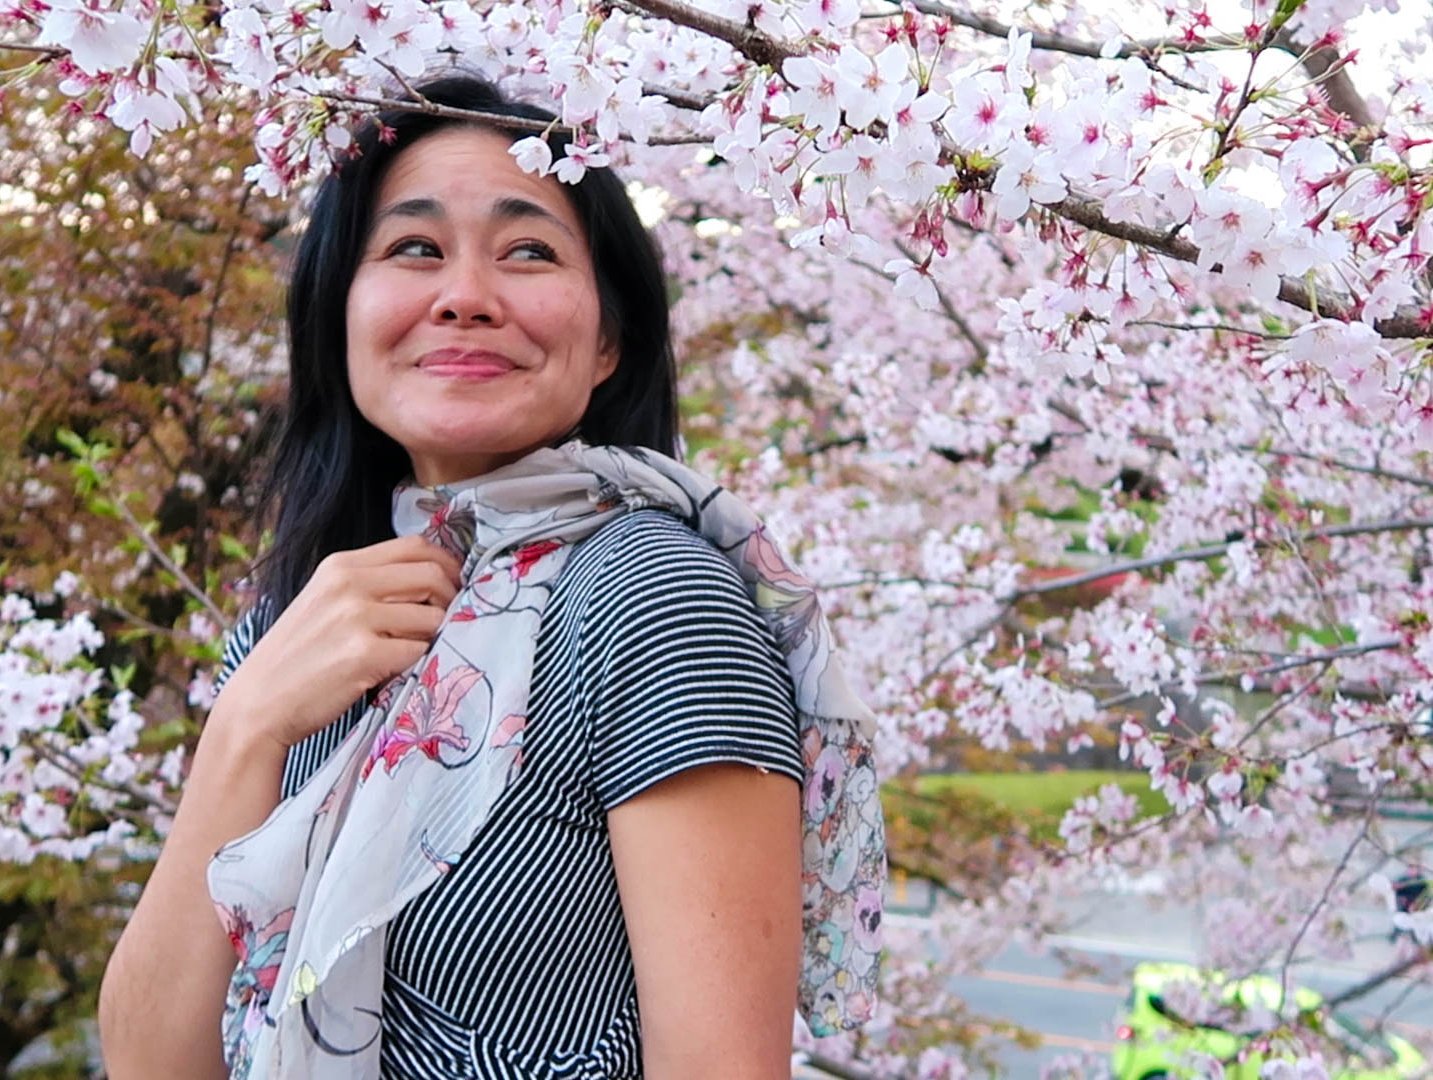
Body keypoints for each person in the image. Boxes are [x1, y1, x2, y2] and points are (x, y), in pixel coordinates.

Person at [97, 75, 885, 1080]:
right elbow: (150, 1062)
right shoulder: (299, 622)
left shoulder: (649, 599)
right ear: (340, 314)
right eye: (414, 248)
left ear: (607, 340)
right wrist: (246, 725)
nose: (465, 295)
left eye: (528, 250)